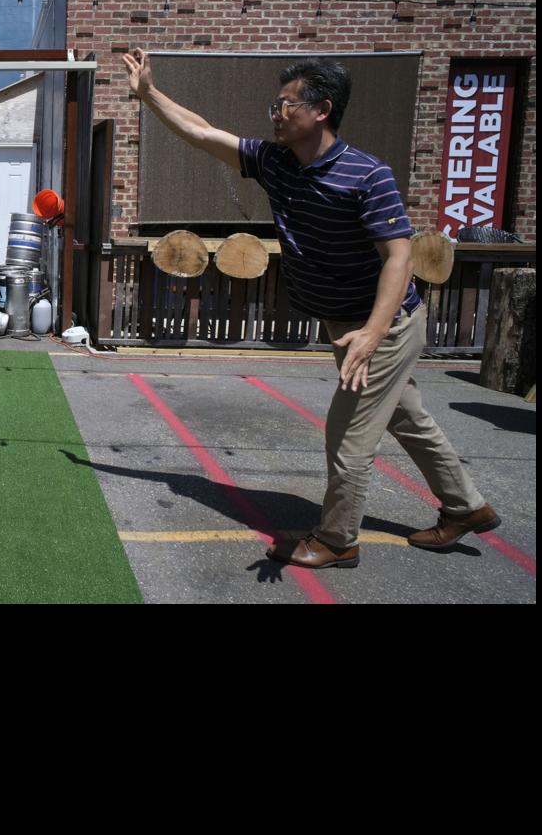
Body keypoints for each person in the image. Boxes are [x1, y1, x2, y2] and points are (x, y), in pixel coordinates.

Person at [120, 48, 501, 569]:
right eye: (275, 104)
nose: (275, 113)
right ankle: (468, 507)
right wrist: (149, 95)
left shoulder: (367, 176)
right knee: (409, 419)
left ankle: (337, 540)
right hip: (347, 324)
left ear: (320, 110)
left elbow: (399, 258)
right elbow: (204, 133)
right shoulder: (276, 162)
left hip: (383, 327)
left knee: (348, 437)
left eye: (286, 104)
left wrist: (371, 333)